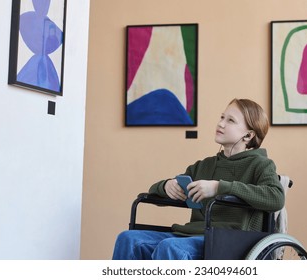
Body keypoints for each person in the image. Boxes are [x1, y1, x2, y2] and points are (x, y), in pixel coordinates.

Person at [112, 98, 284, 260]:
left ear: (248, 136)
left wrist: (219, 187)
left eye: (230, 120)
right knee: (128, 239)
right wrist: (166, 186)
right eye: (222, 117)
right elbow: (155, 190)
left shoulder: (261, 164)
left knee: (170, 247)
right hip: (191, 234)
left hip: (231, 240)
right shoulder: (204, 166)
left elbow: (276, 197)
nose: (220, 123)